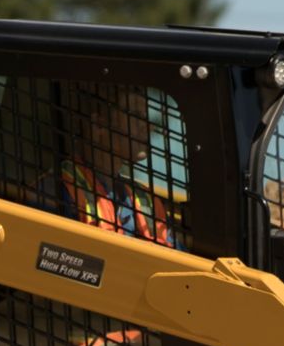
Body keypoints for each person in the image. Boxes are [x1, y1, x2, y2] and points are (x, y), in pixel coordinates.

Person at [33, 88, 180, 249]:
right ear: (99, 125)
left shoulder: (147, 202)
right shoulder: (57, 190)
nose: (148, 127)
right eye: (137, 116)